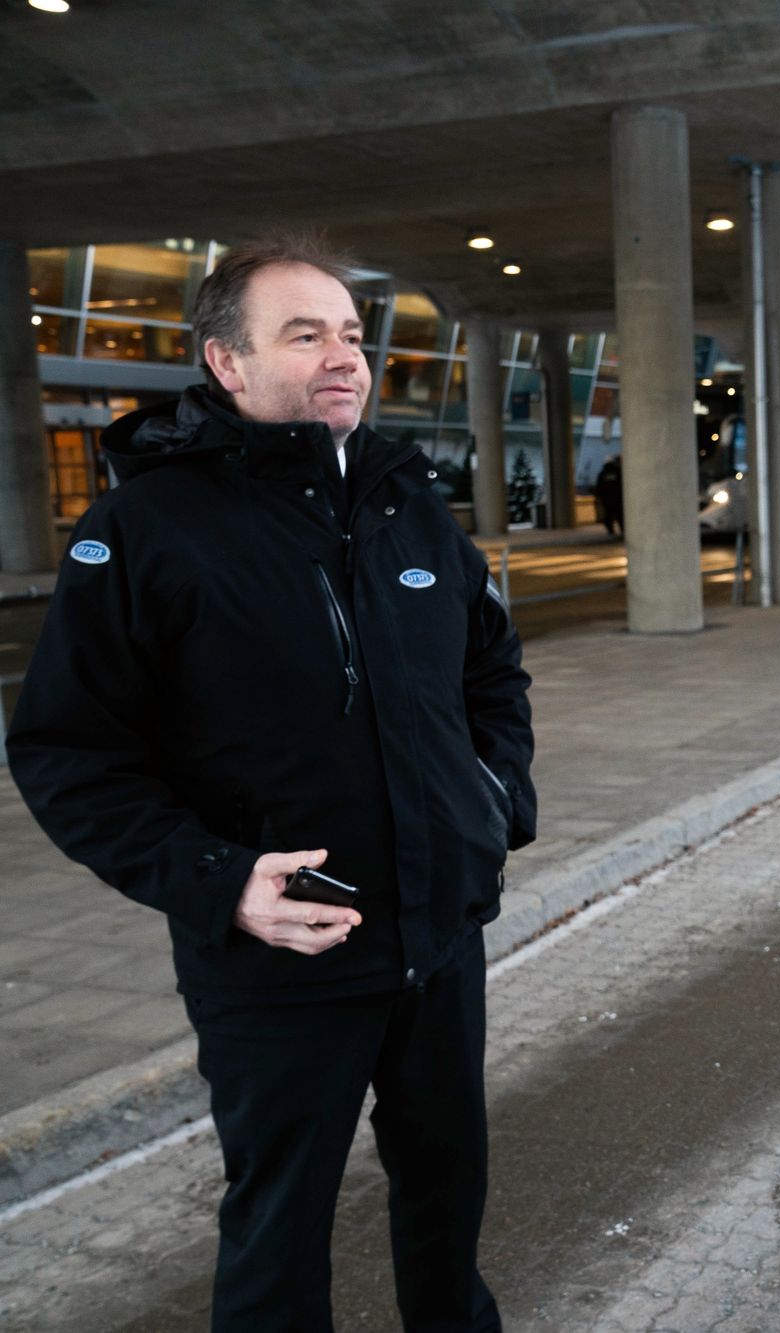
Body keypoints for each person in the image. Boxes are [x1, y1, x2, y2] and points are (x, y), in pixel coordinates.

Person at [7, 235, 535, 1332]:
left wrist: (493, 802)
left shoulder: (408, 502)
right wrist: (219, 881)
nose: (345, 355)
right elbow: (67, 750)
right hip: (280, 954)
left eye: (350, 332)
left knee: (448, 1194)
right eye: (304, 333)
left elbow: (489, 671)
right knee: (279, 1223)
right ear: (225, 364)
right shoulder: (145, 529)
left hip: (439, 932)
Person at [595, 453, 624, 536]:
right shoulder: (618, 472)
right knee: (620, 515)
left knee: (608, 516)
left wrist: (599, 497)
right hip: (618, 498)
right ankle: (623, 530)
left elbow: (599, 487)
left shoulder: (602, 474)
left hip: (607, 499)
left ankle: (611, 531)